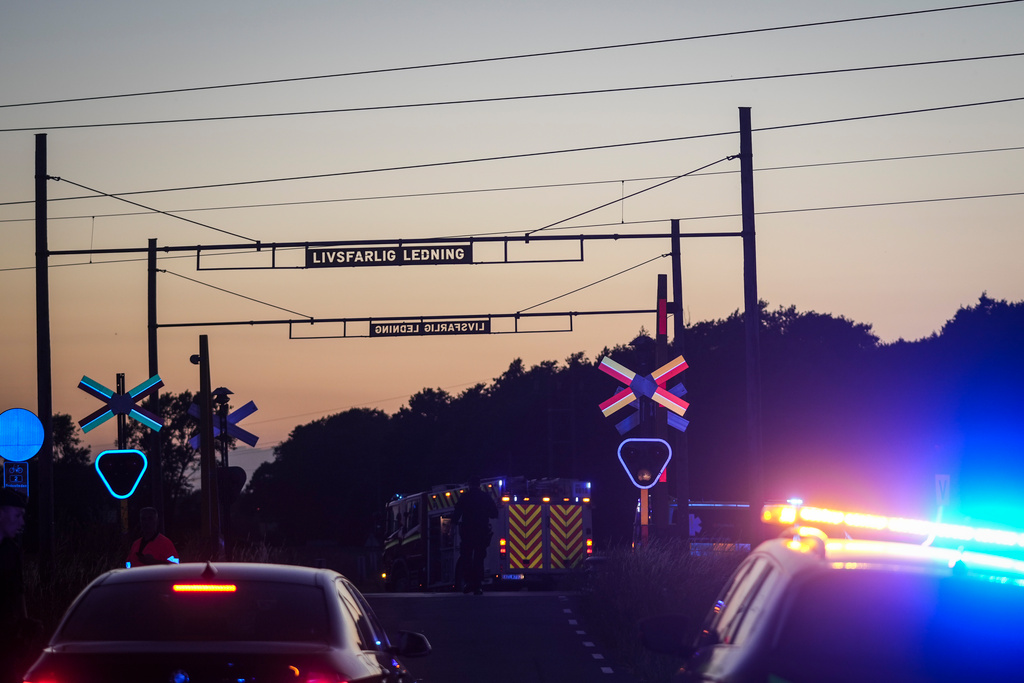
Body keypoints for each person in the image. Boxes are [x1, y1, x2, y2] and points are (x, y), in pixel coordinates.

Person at [1, 488, 40, 683]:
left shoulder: (11, 551)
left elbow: (18, 590)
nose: (21, 522)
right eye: (17, 515)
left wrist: (23, 624)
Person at [451, 476, 498, 595]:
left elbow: (456, 514)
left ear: (469, 484)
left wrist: (453, 526)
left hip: (467, 533)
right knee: (479, 559)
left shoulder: (465, 497)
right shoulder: (485, 497)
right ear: (479, 484)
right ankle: (478, 585)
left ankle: (468, 583)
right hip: (481, 532)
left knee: (466, 558)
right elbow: (494, 513)